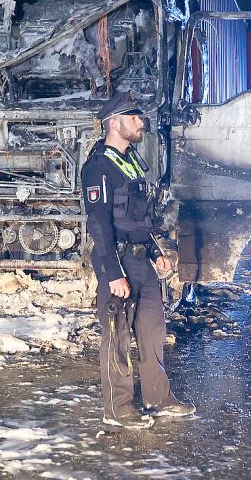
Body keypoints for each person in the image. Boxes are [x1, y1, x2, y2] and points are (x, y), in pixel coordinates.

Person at [81, 92, 195, 429]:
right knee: (117, 336)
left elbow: (139, 220)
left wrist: (158, 253)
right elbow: (99, 224)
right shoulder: (98, 167)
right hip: (115, 262)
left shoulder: (130, 161)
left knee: (153, 331)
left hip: (141, 260)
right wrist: (114, 274)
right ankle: (117, 408)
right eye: (134, 118)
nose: (141, 123)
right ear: (114, 123)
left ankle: (158, 398)